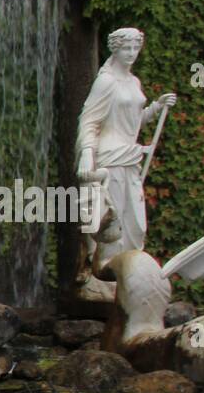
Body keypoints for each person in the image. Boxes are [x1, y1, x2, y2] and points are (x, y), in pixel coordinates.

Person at [75, 27, 177, 297]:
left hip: (129, 157)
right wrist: (87, 152)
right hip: (109, 159)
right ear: (115, 49)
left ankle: (128, 277)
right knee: (113, 221)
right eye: (126, 49)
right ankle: (105, 280)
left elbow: (133, 120)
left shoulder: (133, 82)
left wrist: (155, 108)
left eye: (135, 48)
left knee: (135, 222)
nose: (131, 54)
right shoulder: (106, 82)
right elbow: (90, 119)